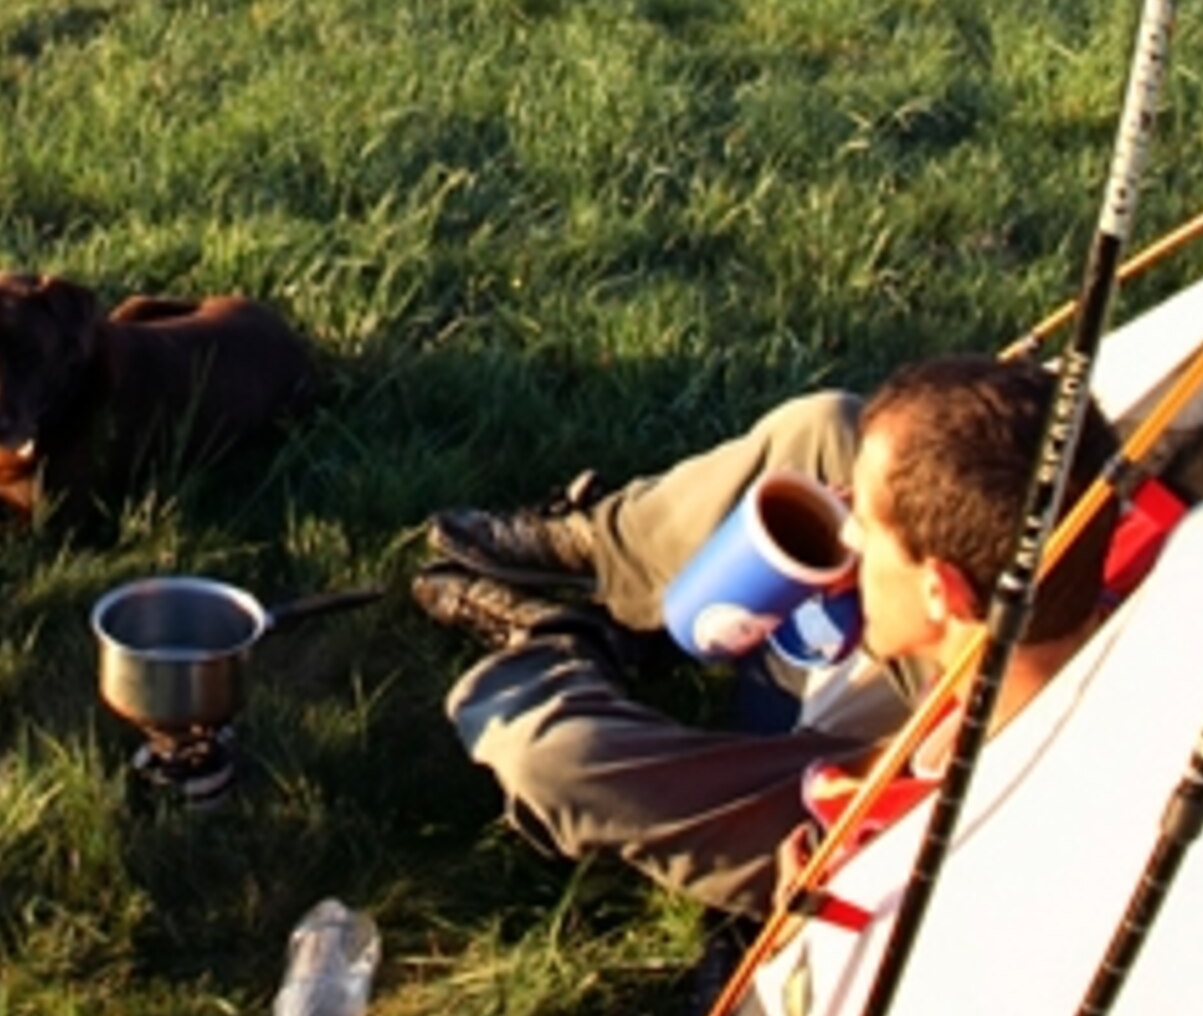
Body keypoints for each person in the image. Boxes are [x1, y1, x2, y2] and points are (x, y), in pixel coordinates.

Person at [412, 354, 1118, 918]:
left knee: (551, 755)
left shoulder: (912, 825)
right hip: (967, 675)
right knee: (826, 432)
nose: (845, 528)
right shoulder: (1085, 594)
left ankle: (561, 643)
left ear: (943, 592)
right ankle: (601, 550)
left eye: (863, 531)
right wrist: (876, 553)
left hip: (869, 783)